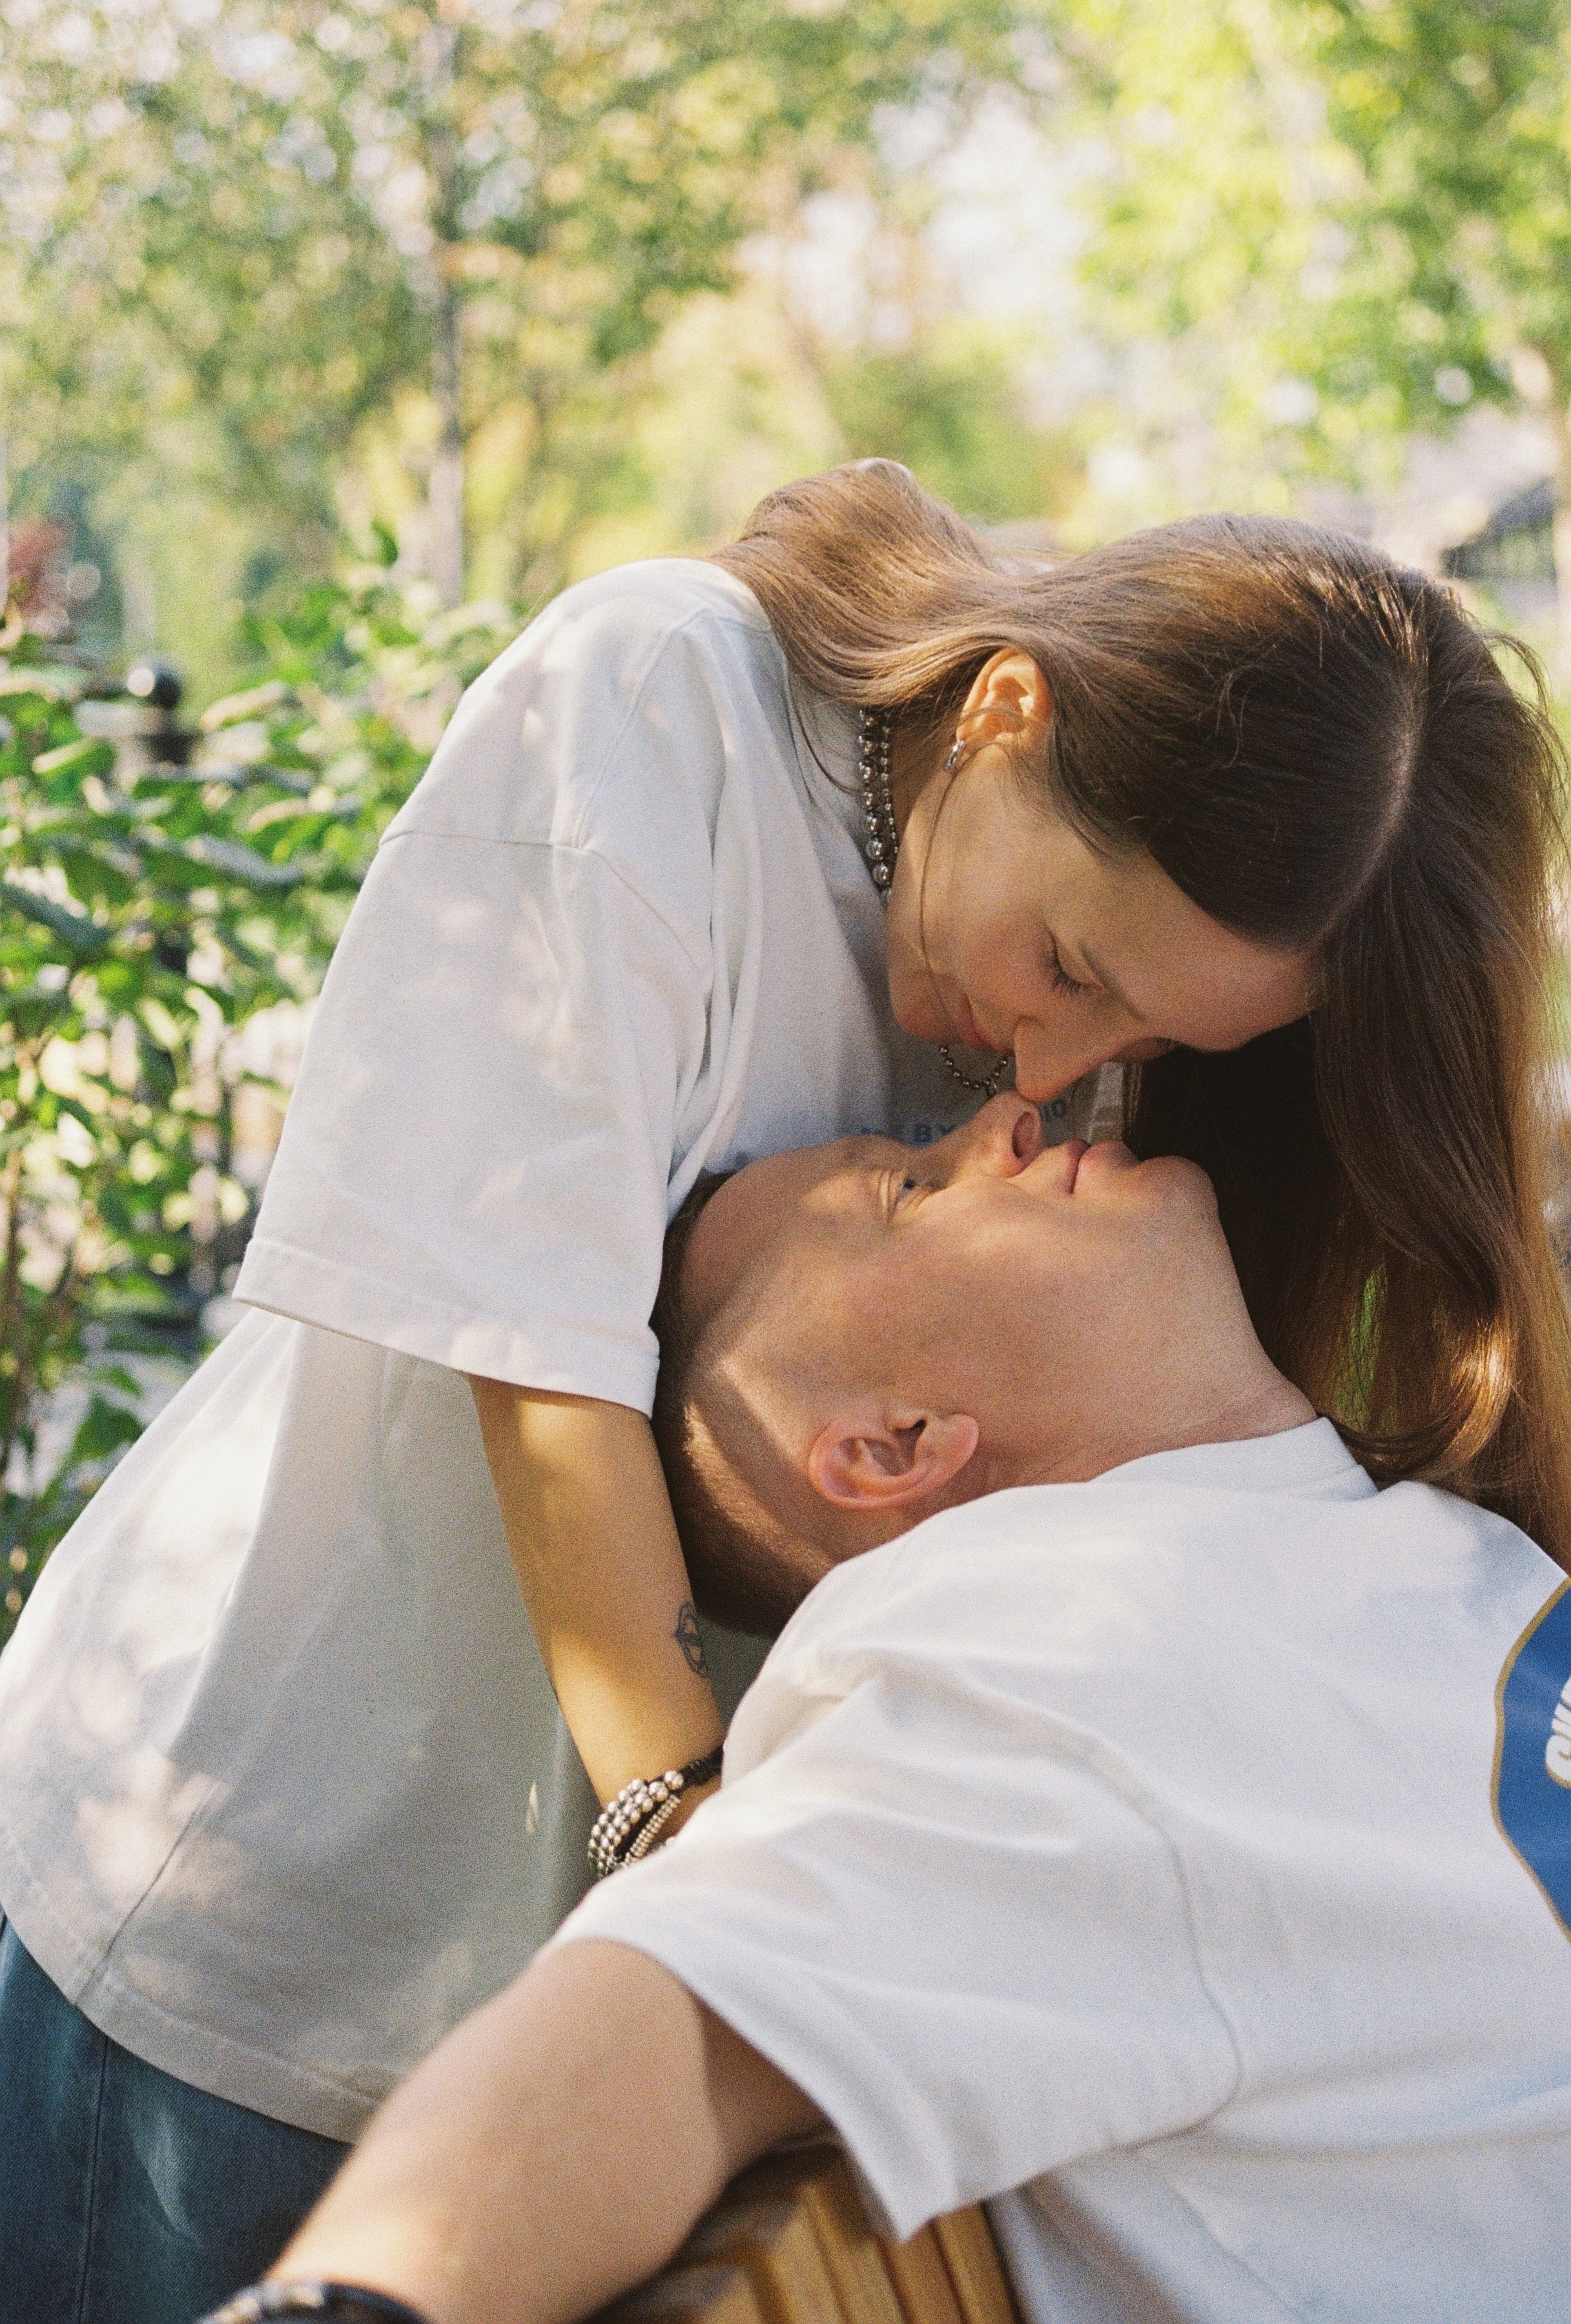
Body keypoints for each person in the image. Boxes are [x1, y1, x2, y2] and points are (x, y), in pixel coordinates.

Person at [3, 462, 1570, 2315]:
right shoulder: (663, 706)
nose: (1058, 1068)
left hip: (626, 1987)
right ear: (1005, 711)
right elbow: (545, 1374)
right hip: (273, 1913)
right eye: (1069, 967)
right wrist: (690, 1858)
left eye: (1152, 1037)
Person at [223, 1095, 1571, 2324]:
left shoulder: (1368, 1541)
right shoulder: (1035, 1647)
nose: (1001, 1118)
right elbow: (664, 2010)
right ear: (893, 1444)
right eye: (911, 1191)